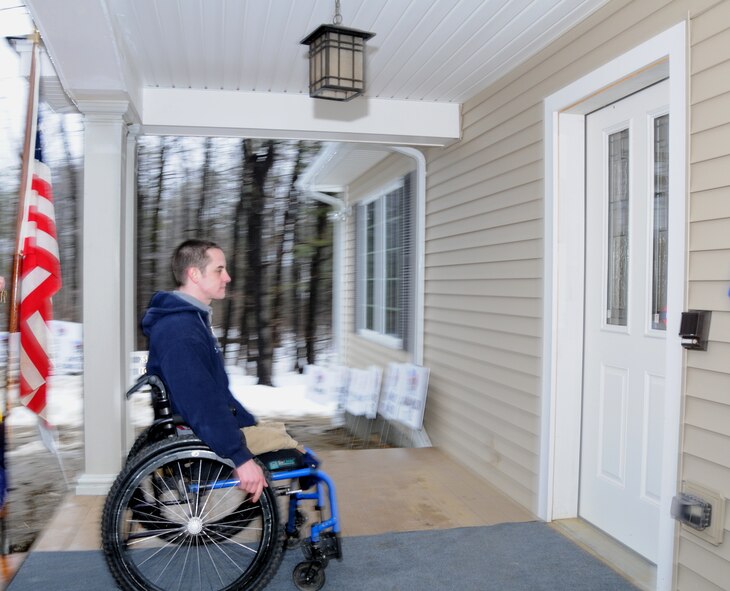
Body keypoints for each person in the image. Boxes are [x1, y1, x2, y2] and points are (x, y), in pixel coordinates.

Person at [142, 240, 269, 502]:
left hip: (207, 425)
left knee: (284, 439)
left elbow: (214, 390)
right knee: (300, 457)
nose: (228, 277)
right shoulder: (180, 329)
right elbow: (200, 401)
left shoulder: (191, 320)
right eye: (219, 270)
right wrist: (239, 455)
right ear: (194, 274)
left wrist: (247, 422)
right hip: (198, 431)